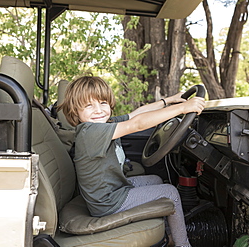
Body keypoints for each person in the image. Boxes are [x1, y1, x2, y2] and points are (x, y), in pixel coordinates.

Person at [58, 76, 205, 247]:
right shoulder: (90, 131)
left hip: (114, 189)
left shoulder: (106, 123)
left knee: (155, 180)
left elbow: (137, 114)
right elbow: (137, 124)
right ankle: (182, 244)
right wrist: (183, 108)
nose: (98, 110)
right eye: (89, 105)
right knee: (170, 192)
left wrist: (169, 101)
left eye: (103, 103)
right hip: (107, 202)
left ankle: (167, 235)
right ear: (75, 111)